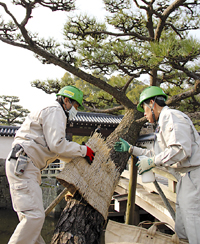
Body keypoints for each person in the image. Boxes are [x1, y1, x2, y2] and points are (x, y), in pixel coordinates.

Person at [6, 85, 95, 244]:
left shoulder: (53, 111)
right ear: (66, 100)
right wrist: (84, 150)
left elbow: (56, 151)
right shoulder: (56, 111)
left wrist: (78, 159)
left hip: (24, 164)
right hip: (24, 164)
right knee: (34, 217)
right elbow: (58, 145)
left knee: (31, 226)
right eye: (75, 105)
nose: (75, 109)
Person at [114, 86, 200, 244]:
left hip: (194, 177)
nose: (145, 115)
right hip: (185, 179)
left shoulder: (172, 116)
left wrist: (152, 162)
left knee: (194, 228)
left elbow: (181, 150)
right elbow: (158, 156)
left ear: (152, 103)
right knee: (183, 230)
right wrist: (132, 149)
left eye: (145, 109)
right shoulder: (162, 124)